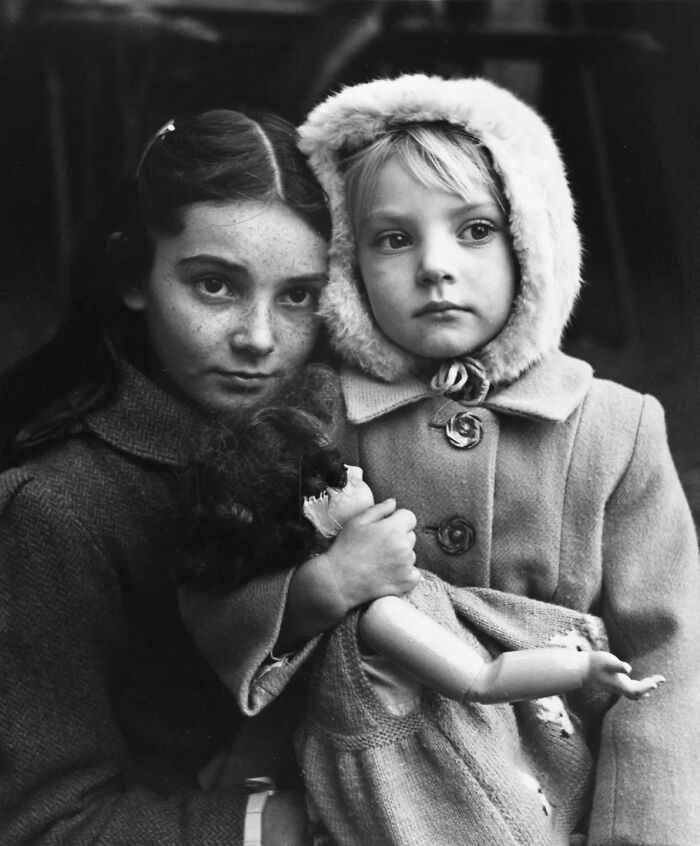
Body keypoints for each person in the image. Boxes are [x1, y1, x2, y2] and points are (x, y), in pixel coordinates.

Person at [182, 76, 700, 845]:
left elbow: (668, 656)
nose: (434, 266)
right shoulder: (316, 421)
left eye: (477, 229)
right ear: (347, 268)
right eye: (393, 238)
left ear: (535, 239)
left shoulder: (616, 429)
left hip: (566, 798)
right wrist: (319, 589)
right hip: (375, 794)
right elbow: (219, 588)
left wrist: (637, 834)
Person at [0, 108, 419, 845]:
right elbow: (44, 822)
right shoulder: (57, 510)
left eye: (297, 295)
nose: (258, 338)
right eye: (215, 286)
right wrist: (295, 824)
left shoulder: (349, 427)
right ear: (134, 275)